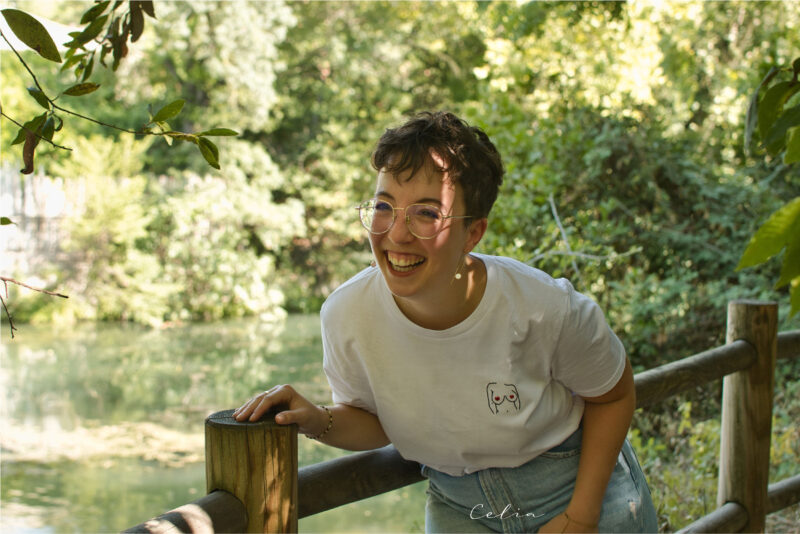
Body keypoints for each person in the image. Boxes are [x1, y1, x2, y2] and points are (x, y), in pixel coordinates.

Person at [234, 111, 658, 533]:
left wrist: (581, 516)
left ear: (473, 233)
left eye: (426, 213)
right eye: (384, 206)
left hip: (576, 487)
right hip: (458, 506)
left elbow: (614, 396)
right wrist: (317, 419)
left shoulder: (544, 306)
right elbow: (379, 422)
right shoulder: (347, 315)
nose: (396, 234)